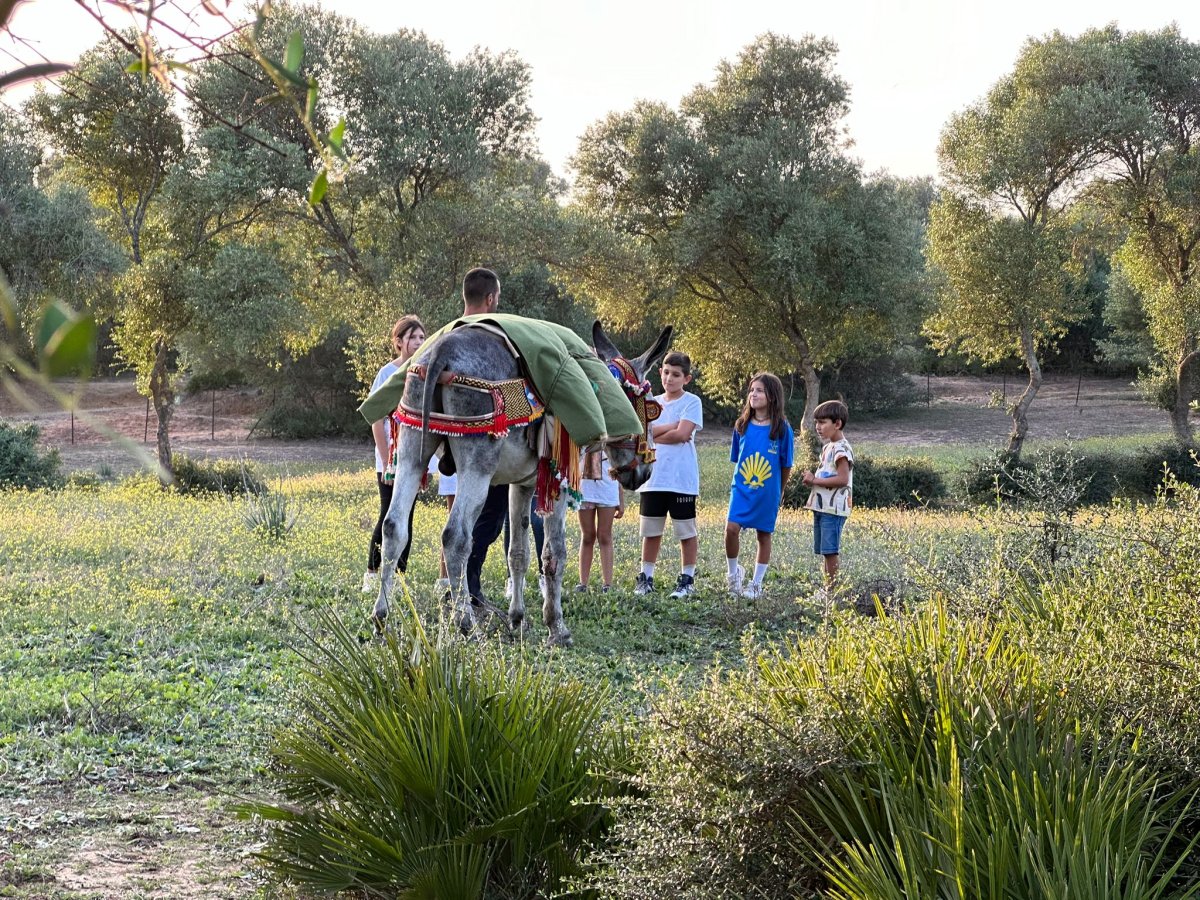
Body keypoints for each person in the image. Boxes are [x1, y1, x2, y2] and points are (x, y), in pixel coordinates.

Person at [456, 267, 510, 605]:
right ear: (491, 299)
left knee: (482, 518)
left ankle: (466, 584)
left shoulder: (443, 339)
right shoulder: (497, 338)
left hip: (448, 444)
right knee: (488, 521)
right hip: (490, 444)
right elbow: (513, 400)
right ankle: (469, 584)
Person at [363, 315, 427, 593]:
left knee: (407, 516)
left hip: (414, 458)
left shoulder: (424, 372)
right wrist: (387, 458)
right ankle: (372, 573)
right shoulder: (387, 374)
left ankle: (399, 577)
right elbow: (376, 418)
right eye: (413, 338)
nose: (419, 343)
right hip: (390, 457)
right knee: (388, 515)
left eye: (422, 338)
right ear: (398, 342)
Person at [634, 351, 703, 598]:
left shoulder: (692, 402)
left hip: (681, 480)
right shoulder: (651, 403)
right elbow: (642, 434)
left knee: (686, 532)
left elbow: (682, 434)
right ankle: (646, 577)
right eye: (665, 373)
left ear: (686, 378)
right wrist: (666, 428)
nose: (669, 378)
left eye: (676, 375)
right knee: (651, 531)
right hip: (653, 478)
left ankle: (687, 580)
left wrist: (656, 432)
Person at [724, 373, 793, 599]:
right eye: (752, 390)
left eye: (760, 390)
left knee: (763, 535)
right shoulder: (741, 425)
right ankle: (733, 576)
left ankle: (756, 584)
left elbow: (786, 465)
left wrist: (779, 492)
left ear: (772, 396)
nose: (754, 394)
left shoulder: (782, 428)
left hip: (768, 492)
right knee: (731, 530)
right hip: (742, 489)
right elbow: (738, 459)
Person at [801, 399, 854, 602]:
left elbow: (842, 479)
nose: (818, 427)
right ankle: (826, 590)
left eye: (823, 422)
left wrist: (815, 480)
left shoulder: (842, 449)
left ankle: (831, 593)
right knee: (825, 551)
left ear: (837, 423)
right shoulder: (828, 448)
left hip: (834, 509)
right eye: (817, 422)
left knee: (830, 551)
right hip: (823, 507)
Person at [575, 449, 624, 593]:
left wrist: (620, 496)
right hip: (585, 488)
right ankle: (582, 583)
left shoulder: (613, 434)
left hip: (608, 488)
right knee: (587, 536)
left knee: (604, 535)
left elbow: (619, 464)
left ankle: (607, 584)